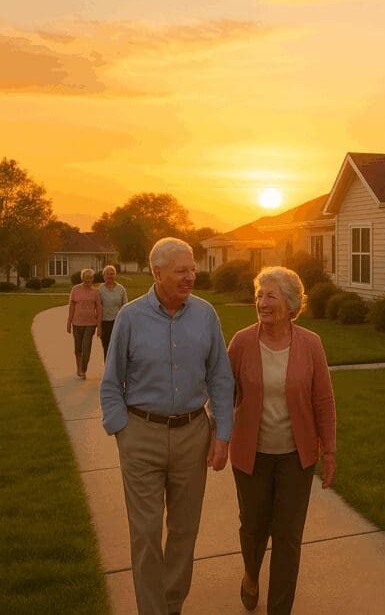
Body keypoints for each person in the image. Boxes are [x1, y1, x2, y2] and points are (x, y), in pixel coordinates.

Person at [100, 237, 234, 615]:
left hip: (194, 434)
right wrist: (123, 431)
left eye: (192, 269)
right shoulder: (129, 317)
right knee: (145, 534)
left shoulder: (206, 314)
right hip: (141, 434)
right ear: (157, 273)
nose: (190, 276)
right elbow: (112, 382)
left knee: (184, 530)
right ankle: (152, 610)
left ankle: (172, 603)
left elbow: (221, 377)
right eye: (181, 271)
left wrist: (222, 434)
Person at [227, 266, 337, 613]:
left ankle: (279, 608)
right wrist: (216, 437)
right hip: (251, 455)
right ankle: (250, 574)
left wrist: (329, 450)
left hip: (296, 456)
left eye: (270, 295)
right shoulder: (242, 342)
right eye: (259, 295)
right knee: (253, 528)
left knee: (288, 536)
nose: (262, 301)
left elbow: (323, 399)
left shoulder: (310, 344)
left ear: (290, 304)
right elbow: (225, 393)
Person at [67, 267, 102, 379]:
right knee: (78, 348)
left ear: (92, 279)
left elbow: (99, 308)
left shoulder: (96, 292)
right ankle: (79, 368)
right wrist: (69, 321)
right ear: (83, 278)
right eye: (86, 277)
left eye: (91, 277)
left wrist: (99, 325)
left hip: (90, 324)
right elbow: (72, 305)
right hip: (76, 323)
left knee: (86, 348)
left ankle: (83, 369)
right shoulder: (75, 289)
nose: (88, 279)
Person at [98, 264, 129, 359]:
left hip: (118, 321)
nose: (109, 276)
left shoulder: (121, 289)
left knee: (118, 345)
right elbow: (98, 307)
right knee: (106, 345)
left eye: (112, 274)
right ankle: (108, 367)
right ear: (104, 276)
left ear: (115, 275)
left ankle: (117, 367)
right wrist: (98, 326)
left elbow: (125, 306)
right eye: (107, 274)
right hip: (105, 321)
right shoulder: (100, 289)